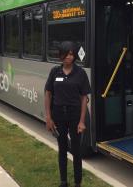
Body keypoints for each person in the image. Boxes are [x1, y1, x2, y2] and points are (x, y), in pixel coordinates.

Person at [44, 41, 91, 187]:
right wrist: (48, 117)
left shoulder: (80, 73)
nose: (68, 57)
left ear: (75, 56)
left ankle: (78, 182)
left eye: (71, 54)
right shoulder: (54, 72)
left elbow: (84, 98)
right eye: (65, 54)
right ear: (61, 56)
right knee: (62, 148)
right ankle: (63, 181)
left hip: (74, 115)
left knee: (76, 150)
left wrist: (82, 121)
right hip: (58, 114)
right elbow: (48, 94)